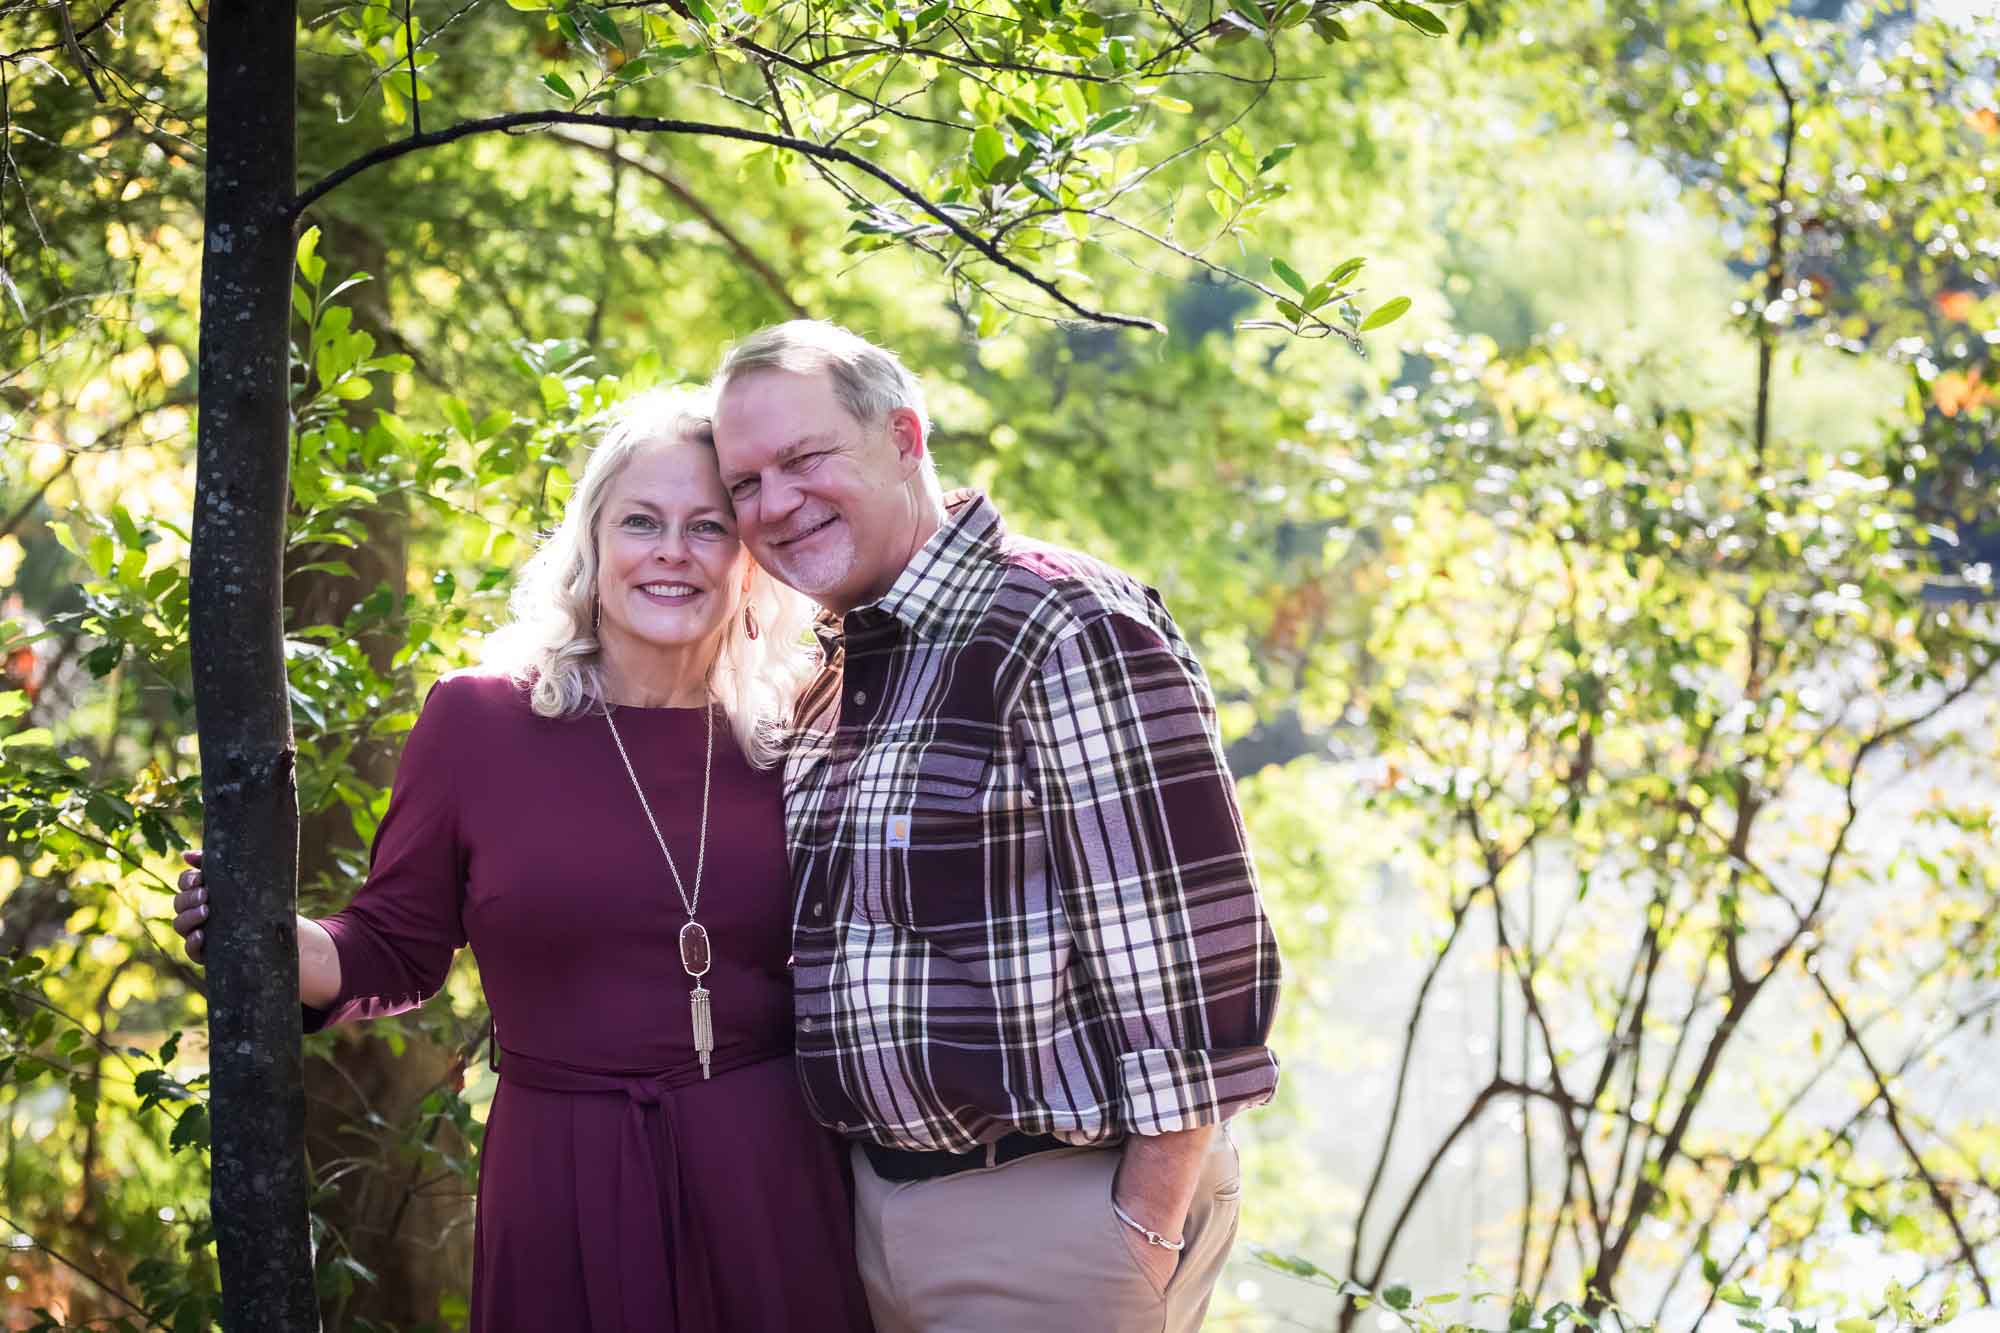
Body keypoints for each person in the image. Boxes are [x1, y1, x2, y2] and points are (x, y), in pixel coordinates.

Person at [171, 388, 875, 1333]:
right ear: (591, 546)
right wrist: (262, 931)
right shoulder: (480, 723)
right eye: (642, 521)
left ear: (748, 562)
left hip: (770, 1174)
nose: (672, 550)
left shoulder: (797, 735)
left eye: (709, 526)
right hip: (562, 1170)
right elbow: (392, 946)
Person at [709, 322, 1283, 1332]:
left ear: (903, 437)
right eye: (745, 483)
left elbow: (1184, 958)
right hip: (869, 1213)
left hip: (1050, 1212)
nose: (775, 504)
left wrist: (1134, 1234)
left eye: (803, 459)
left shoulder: (1060, 626)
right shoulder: (843, 664)